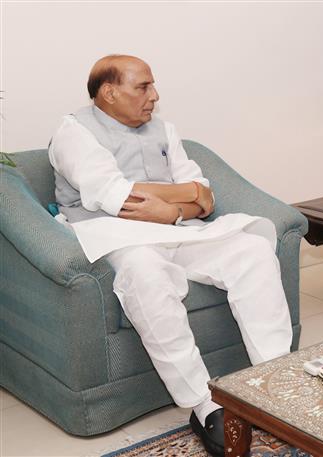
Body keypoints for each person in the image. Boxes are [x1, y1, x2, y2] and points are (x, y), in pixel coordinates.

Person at [49, 55, 293, 456]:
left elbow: (205, 192)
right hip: (118, 237)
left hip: (175, 228)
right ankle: (203, 402)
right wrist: (189, 196)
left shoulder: (164, 129)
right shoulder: (74, 132)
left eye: (152, 86)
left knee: (251, 249)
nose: (154, 96)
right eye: (142, 87)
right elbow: (118, 198)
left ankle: (276, 383)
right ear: (109, 92)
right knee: (145, 274)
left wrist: (179, 209)